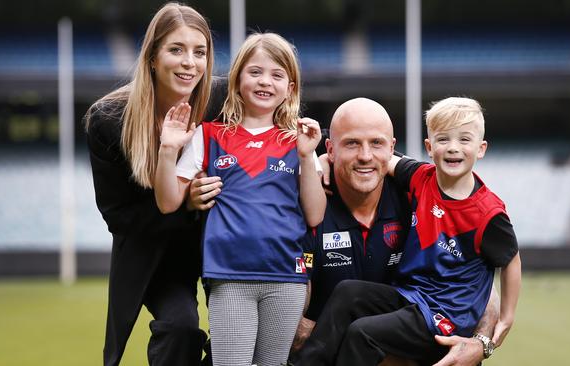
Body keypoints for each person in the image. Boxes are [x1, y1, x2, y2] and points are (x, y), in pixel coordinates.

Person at [192, 97, 501, 366]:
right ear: (330, 149)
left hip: (390, 347)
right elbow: (296, 332)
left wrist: (481, 343)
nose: (365, 155)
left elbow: (479, 281)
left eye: (376, 143)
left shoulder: (418, 198)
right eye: (351, 143)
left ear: (392, 149)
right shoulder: (303, 202)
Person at [295, 97, 521, 366]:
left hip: (442, 317)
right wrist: (319, 162)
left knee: (361, 332)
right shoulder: (419, 177)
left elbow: (508, 262)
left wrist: (500, 325)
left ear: (481, 148)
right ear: (429, 146)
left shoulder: (487, 212)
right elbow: (378, 159)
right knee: (348, 293)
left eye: (464, 140)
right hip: (413, 297)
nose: (453, 149)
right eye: (444, 139)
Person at [154, 32, 326, 366]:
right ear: (237, 80)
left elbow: (315, 214)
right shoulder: (210, 135)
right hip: (229, 274)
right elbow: (167, 201)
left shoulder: (299, 141)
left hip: (286, 276)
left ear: (290, 88)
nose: (265, 82)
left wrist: (307, 157)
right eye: (256, 72)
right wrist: (168, 149)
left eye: (277, 75)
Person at [83, 3, 214, 365]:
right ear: (153, 57)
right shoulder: (108, 120)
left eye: (199, 52)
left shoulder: (219, 103)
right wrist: (185, 203)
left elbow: (278, 122)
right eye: (177, 49)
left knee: (243, 335)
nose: (190, 62)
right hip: (161, 252)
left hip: (224, 245)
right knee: (181, 328)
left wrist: (321, 155)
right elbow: (120, 218)